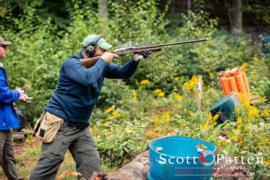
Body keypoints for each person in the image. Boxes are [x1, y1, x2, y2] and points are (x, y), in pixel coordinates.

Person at [30, 34, 151, 180]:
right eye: (102, 49)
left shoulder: (99, 64)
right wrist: (102, 61)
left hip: (81, 126)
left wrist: (135, 59)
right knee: (47, 167)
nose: (105, 53)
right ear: (90, 48)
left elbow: (123, 73)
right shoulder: (71, 63)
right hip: (60, 124)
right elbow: (88, 79)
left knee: (92, 167)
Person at [0, 37, 29, 180]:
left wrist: (17, 94)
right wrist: (17, 93)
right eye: (3, 46)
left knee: (8, 157)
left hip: (5, 121)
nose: (6, 49)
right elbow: (1, 95)